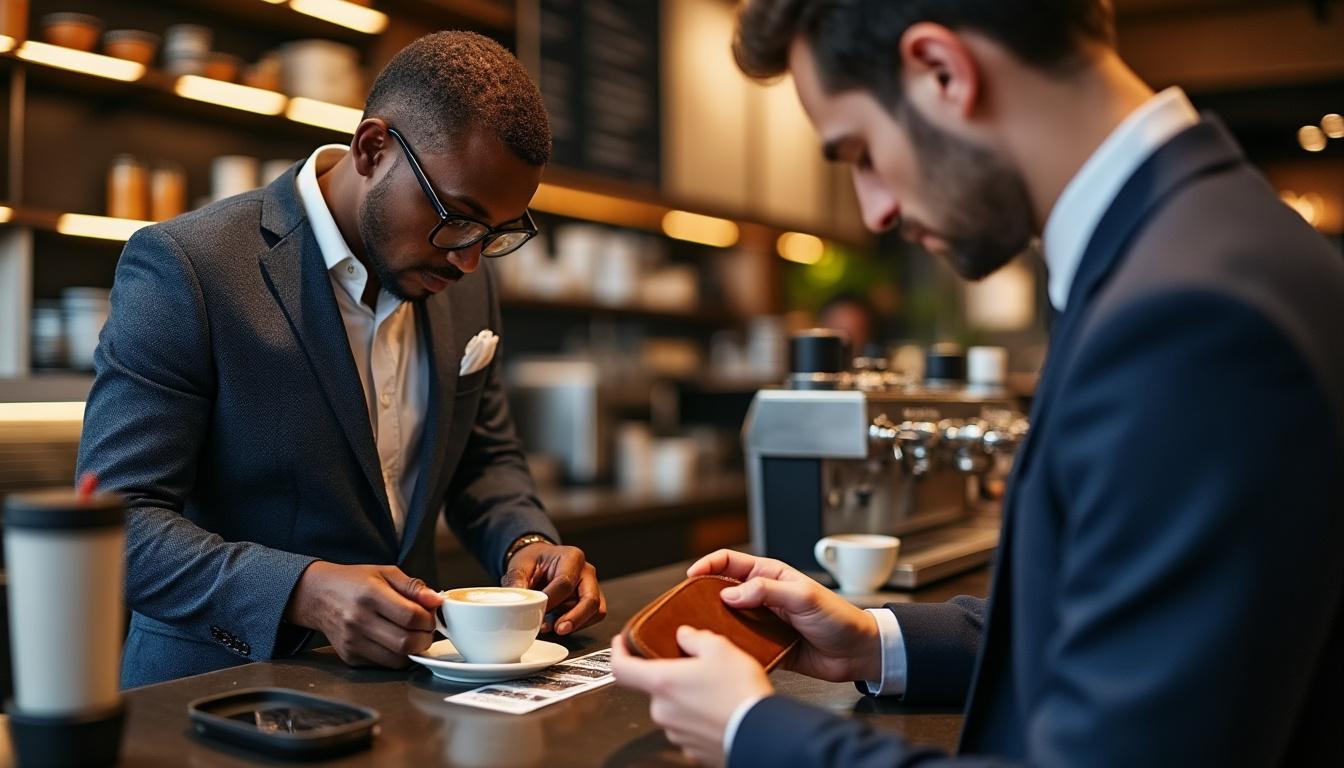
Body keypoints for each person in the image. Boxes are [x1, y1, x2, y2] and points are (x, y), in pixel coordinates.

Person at [612, 1, 1344, 765]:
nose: (878, 209)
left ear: (942, 71)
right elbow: (1107, 619)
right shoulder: (1186, 247)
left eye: (861, 152)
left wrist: (751, 731)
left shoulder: (1188, 312)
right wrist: (873, 640)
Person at [77, 31, 607, 688]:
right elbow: (116, 523)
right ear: (372, 148)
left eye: (497, 234)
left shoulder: (465, 286)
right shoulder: (190, 267)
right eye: (458, 218)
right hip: (215, 700)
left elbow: (484, 460)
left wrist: (529, 543)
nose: (469, 258)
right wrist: (303, 590)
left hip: (408, 696)